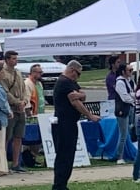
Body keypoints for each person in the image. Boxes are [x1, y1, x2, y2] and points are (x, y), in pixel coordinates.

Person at [52, 60, 100, 190]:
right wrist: (90, 115)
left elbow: (81, 95)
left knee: (69, 155)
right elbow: (75, 102)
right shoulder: (64, 82)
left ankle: (62, 184)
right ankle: (59, 185)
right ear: (72, 70)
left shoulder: (71, 82)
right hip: (63, 123)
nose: (78, 77)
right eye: (78, 74)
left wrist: (80, 95)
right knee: (64, 155)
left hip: (70, 123)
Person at [1, 50, 28, 173]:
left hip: (21, 109)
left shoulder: (18, 73)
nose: (15, 61)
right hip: (10, 109)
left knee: (19, 136)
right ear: (7, 60)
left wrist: (24, 102)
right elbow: (5, 92)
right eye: (13, 59)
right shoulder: (3, 74)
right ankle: (3, 163)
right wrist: (16, 102)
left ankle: (16, 163)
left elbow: (24, 89)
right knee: (7, 137)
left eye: (16, 58)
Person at [113, 63, 135, 165]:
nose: (131, 72)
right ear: (123, 72)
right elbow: (125, 97)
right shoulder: (120, 82)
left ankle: (128, 153)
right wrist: (133, 100)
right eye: (129, 70)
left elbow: (134, 92)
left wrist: (132, 97)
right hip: (122, 109)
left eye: (132, 70)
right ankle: (119, 156)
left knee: (128, 131)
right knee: (123, 134)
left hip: (130, 108)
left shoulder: (130, 81)